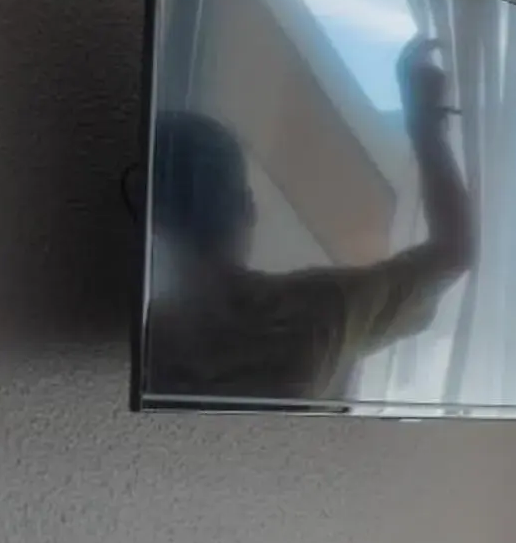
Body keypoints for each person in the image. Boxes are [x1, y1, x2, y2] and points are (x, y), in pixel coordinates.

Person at [144, 36, 478, 403]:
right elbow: (453, 251)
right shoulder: (319, 308)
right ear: (247, 208)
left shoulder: (136, 337)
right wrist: (425, 126)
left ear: (154, 220)